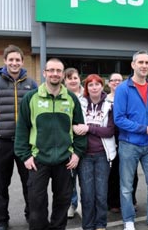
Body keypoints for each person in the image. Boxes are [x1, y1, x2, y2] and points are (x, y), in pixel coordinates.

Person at [14, 58, 87, 230]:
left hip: (65, 160)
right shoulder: (31, 98)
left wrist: (77, 153)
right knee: (37, 202)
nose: (55, 74)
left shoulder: (71, 99)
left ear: (62, 75)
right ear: (45, 73)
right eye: (51, 70)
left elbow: (80, 128)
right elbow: (22, 129)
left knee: (62, 201)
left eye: (58, 71)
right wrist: (25, 156)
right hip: (38, 160)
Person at [0, 44, 38, 230]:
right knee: (1, 185)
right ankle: (1, 220)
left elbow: (36, 114)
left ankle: (32, 215)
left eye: (17, 59)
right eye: (11, 59)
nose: (14, 63)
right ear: (5, 61)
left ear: (22, 62)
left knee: (29, 183)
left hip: (25, 144)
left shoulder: (31, 84)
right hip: (2, 142)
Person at [113, 50, 148, 230]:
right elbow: (119, 119)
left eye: (147, 62)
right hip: (129, 144)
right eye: (141, 62)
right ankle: (128, 219)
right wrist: (144, 128)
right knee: (126, 186)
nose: (144, 66)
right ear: (133, 64)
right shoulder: (123, 88)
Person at [73, 74, 117, 230]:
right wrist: (76, 128)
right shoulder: (79, 103)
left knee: (101, 193)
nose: (94, 87)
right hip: (84, 155)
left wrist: (89, 128)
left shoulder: (110, 105)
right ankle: (88, 225)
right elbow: (74, 125)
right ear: (86, 88)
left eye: (97, 84)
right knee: (87, 194)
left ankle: (100, 224)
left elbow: (110, 131)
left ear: (102, 86)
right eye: (90, 85)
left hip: (103, 155)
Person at [106, 73, 139, 213]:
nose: (116, 83)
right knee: (113, 172)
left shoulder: (129, 96)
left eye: (119, 80)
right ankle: (113, 202)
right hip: (109, 139)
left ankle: (131, 200)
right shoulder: (104, 99)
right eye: (113, 80)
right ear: (109, 83)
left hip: (127, 137)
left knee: (132, 173)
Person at [64, 67, 84, 219]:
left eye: (75, 77)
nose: (72, 80)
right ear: (65, 81)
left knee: (86, 178)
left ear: (79, 79)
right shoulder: (62, 96)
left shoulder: (88, 95)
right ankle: (72, 204)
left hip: (86, 144)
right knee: (70, 179)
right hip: (68, 144)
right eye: (69, 78)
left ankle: (86, 204)